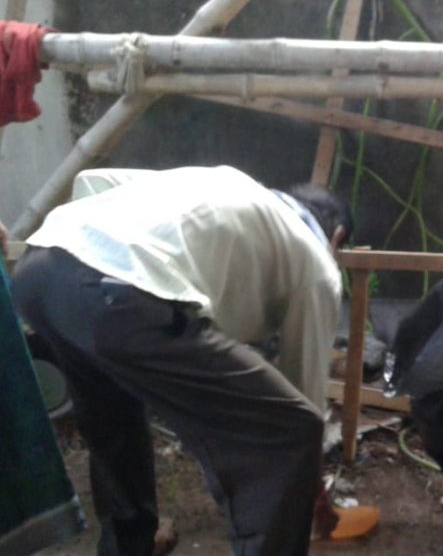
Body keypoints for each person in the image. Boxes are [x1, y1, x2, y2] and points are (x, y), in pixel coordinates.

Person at [11, 165, 352, 556]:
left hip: (40, 270)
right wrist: (309, 484)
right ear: (336, 236)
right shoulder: (317, 260)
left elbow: (92, 180)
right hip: (119, 297)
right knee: (293, 430)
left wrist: (93, 258)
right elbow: (301, 391)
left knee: (114, 417)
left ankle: (127, 547)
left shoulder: (221, 181)